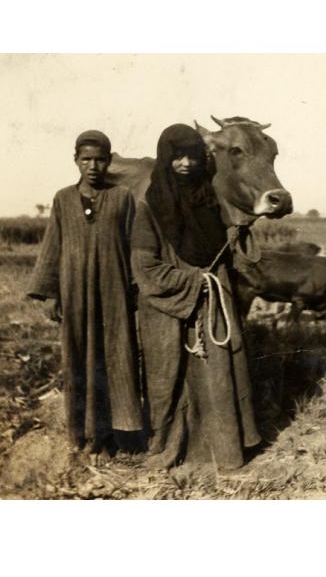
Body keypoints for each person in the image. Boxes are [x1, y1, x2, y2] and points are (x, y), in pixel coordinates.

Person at [131, 123, 261, 470]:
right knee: (169, 379)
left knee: (217, 378)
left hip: (213, 305)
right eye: (177, 157)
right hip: (168, 308)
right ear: (165, 159)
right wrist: (193, 283)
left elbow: (237, 257)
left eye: (192, 156)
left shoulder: (213, 202)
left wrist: (239, 233)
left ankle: (224, 452)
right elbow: (144, 267)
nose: (186, 164)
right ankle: (171, 448)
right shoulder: (149, 207)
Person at [28, 130, 143, 459]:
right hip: (74, 293)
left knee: (115, 360)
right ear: (76, 161)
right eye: (86, 159)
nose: (93, 166)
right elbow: (53, 245)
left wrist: (135, 290)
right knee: (79, 361)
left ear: (109, 161)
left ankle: (113, 437)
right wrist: (51, 294)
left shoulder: (122, 198)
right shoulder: (63, 199)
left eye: (100, 159)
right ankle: (81, 435)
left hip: (114, 293)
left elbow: (134, 246)